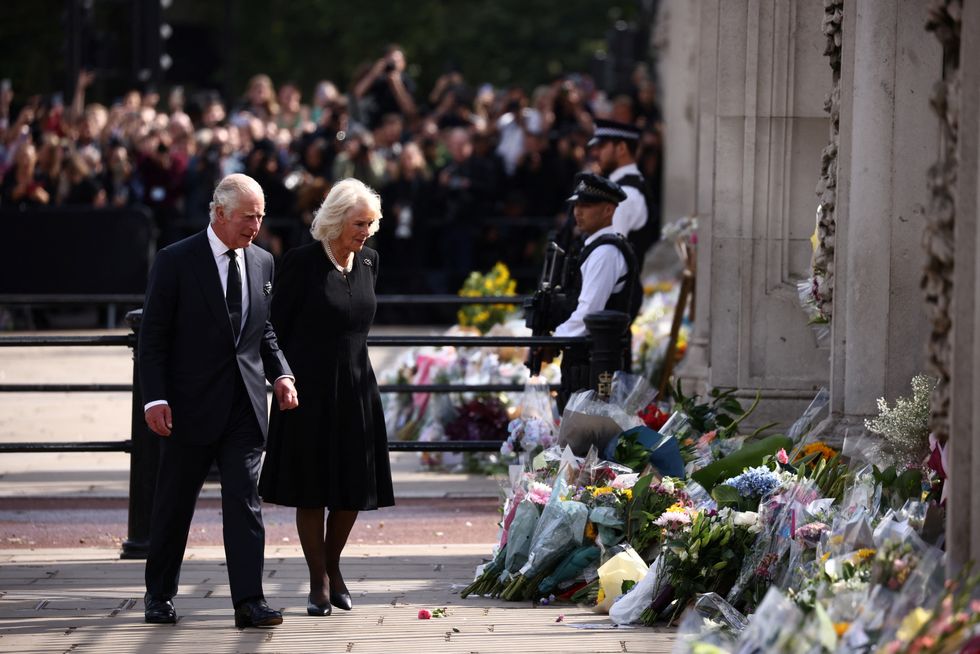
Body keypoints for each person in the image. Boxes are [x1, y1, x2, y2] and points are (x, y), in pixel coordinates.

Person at [139, 173, 299, 628]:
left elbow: (262, 331)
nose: (257, 224)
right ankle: (160, 595)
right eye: (249, 216)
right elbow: (153, 339)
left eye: (262, 215)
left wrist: (282, 374)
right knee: (174, 503)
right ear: (220, 213)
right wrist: (155, 400)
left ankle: (249, 601)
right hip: (187, 407)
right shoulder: (175, 260)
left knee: (245, 502)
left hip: (245, 407)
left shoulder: (265, 262)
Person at [259, 178, 394, 617]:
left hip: (357, 387)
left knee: (352, 489)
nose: (366, 232)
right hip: (308, 390)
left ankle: (332, 565)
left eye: (371, 224)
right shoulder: (300, 263)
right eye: (359, 223)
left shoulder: (370, 261)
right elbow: (272, 327)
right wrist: (281, 376)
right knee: (311, 488)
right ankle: (318, 579)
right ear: (335, 221)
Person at [551, 173, 640, 411]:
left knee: (590, 433)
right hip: (587, 360)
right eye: (576, 205)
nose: (578, 212)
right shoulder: (593, 247)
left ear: (608, 210)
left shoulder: (605, 252)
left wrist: (552, 340)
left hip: (596, 363)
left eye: (587, 205)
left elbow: (589, 313)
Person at [588, 118, 660, 269]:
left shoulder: (625, 194)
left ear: (621, 148)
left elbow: (610, 258)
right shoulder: (624, 186)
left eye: (601, 146)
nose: (595, 153)